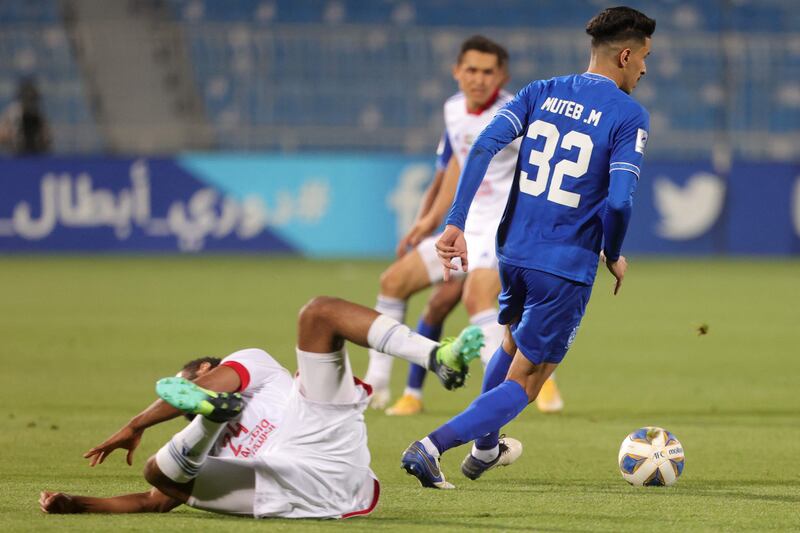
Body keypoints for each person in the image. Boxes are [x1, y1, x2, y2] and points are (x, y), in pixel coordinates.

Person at [401, 6, 655, 488]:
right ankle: (431, 446)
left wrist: (454, 223)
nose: (645, 68)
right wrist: (613, 251)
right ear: (625, 54)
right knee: (531, 378)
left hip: (512, 250)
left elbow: (481, 147)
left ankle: (485, 447)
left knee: (512, 341)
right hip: (563, 264)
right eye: (644, 57)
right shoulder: (629, 115)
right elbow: (620, 202)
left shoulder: (540, 91)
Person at [39, 296, 486, 518]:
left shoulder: (250, 364)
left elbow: (220, 381)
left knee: (318, 313)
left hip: (318, 436)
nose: (178, 397)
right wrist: (78, 504)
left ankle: (435, 357)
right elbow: (155, 500)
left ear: (209, 366)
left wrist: (136, 424)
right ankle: (213, 418)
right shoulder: (203, 454)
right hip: (279, 484)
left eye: (187, 383)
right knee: (158, 472)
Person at [364, 35, 564, 417]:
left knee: (476, 297)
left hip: (503, 229)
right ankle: (377, 385)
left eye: (488, 72)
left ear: (502, 75)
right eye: (471, 70)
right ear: (457, 72)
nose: (479, 79)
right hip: (463, 226)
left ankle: (510, 389)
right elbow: (456, 165)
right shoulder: (453, 110)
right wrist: (428, 220)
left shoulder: (518, 113)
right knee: (393, 282)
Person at [0, 78, 52, 155]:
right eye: (27, 98)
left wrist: (40, 139)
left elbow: (47, 139)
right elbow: (2, 136)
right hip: (14, 155)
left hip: (34, 155)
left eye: (32, 99)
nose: (29, 102)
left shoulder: (38, 114)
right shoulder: (12, 113)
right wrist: (14, 136)